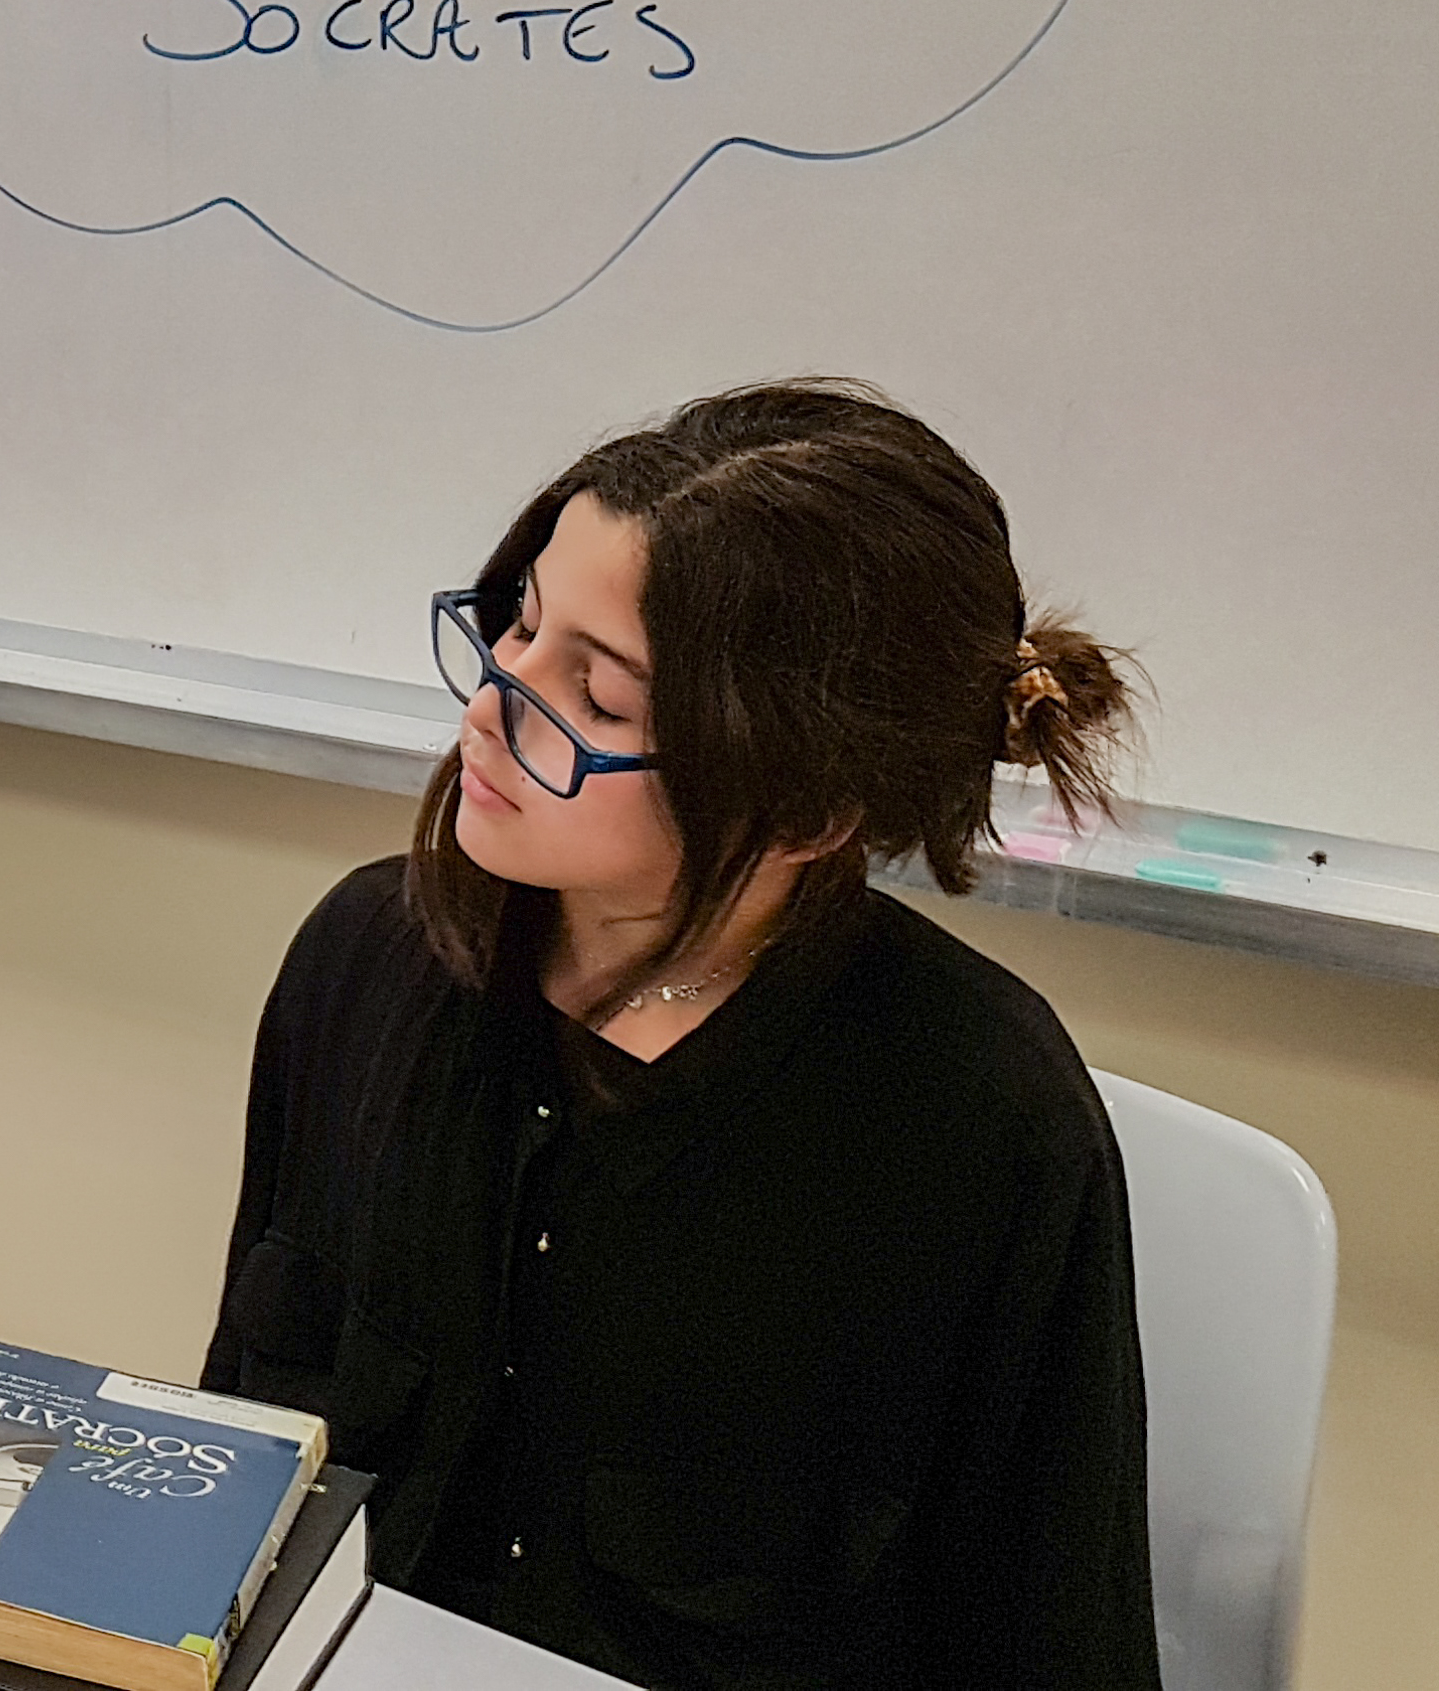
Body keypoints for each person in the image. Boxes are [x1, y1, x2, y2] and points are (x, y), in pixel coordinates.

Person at [201, 381, 1164, 1691]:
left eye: (596, 701)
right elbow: (228, 1485)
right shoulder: (365, 958)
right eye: (520, 627)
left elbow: (1047, 1640)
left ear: (807, 805)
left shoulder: (980, 1120)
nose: (491, 707)